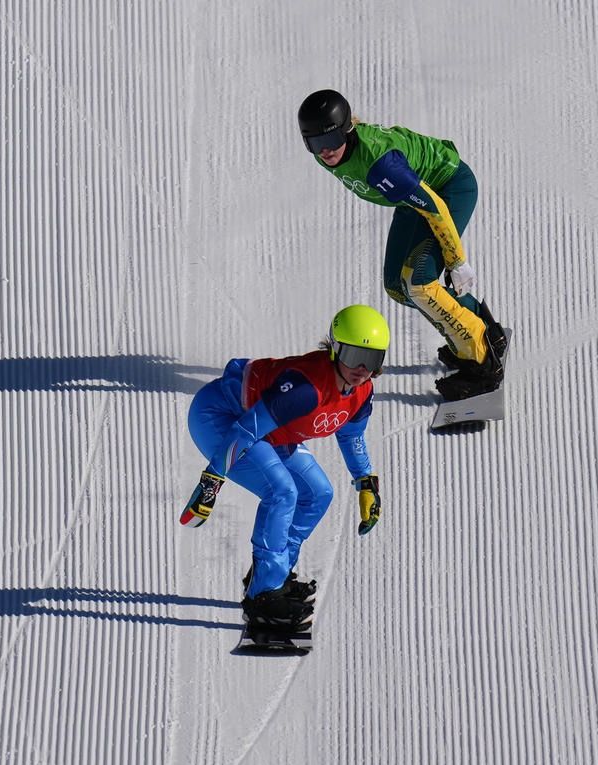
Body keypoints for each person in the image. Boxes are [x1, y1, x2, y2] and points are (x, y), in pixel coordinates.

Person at [179, 305, 387, 628]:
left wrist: (366, 482)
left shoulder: (362, 392)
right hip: (222, 418)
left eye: (371, 359)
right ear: (335, 348)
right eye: (354, 355)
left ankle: (273, 575)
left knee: (318, 493)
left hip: (269, 432)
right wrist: (211, 483)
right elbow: (245, 430)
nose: (362, 369)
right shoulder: (306, 390)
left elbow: (351, 436)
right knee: (282, 491)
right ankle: (263, 596)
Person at [297, 89, 510, 402]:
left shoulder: (381, 167)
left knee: (418, 282)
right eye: (315, 144)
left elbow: (435, 206)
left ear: (347, 130)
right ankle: (481, 327)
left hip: (449, 190)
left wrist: (456, 261)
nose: (325, 151)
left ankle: (482, 362)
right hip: (413, 202)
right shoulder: (330, 154)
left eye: (330, 140)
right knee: (398, 287)